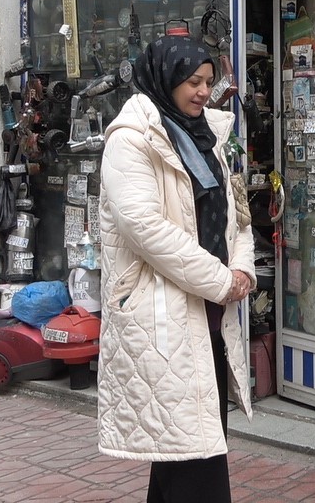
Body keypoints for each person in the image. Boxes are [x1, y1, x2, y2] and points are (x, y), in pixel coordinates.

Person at [97, 36, 256, 503]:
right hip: (160, 316)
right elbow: (145, 229)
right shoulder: (131, 141)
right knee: (195, 457)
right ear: (165, 80)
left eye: (209, 81)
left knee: (187, 445)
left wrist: (242, 269)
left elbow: (238, 214)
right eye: (193, 81)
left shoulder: (211, 137)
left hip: (208, 310)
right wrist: (222, 280)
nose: (204, 91)